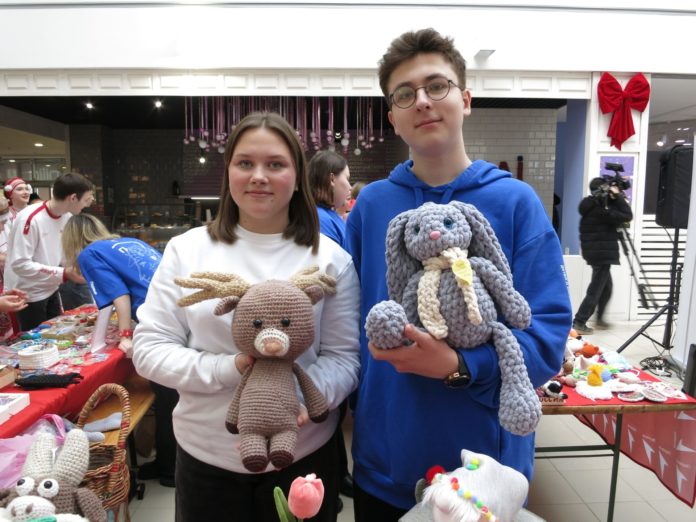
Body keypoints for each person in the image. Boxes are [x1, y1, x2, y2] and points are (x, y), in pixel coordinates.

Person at [343, 28, 572, 520]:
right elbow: (347, 324)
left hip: (485, 473)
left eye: (437, 86)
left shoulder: (515, 203)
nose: (423, 101)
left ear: (465, 100)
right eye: (405, 94)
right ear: (393, 117)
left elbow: (548, 336)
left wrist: (461, 365)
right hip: (384, 460)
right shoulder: (373, 206)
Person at [132, 111, 361, 521]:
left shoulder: (331, 259)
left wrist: (294, 401)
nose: (259, 176)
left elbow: (345, 358)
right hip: (205, 459)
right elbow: (150, 350)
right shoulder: (187, 250)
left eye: (275, 164)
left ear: (297, 175)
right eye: (245, 163)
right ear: (229, 172)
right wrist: (231, 368)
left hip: (303, 457)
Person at [61, 212, 178, 487]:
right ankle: (166, 462)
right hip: (175, 312)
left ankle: (171, 469)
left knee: (166, 395)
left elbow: (120, 297)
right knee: (167, 393)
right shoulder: (127, 242)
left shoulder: (89, 254)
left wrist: (125, 335)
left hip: (161, 319)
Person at [3, 172, 94, 331]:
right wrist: (64, 273)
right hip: (29, 294)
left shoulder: (66, 216)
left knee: (55, 335)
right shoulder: (30, 218)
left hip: (51, 287)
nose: (87, 205)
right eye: (86, 200)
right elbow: (20, 264)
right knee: (35, 340)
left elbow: (63, 252)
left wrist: (78, 266)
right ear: (73, 198)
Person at [572, 178, 633, 335]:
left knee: (606, 287)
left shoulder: (592, 206)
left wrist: (612, 197)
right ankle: (579, 321)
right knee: (596, 289)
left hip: (597, 252)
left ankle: (599, 319)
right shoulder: (600, 211)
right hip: (601, 254)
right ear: (602, 190)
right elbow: (627, 215)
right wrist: (617, 197)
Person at [308, 150, 352, 246]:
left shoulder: (323, 215)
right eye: (347, 178)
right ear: (332, 179)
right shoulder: (320, 219)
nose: (350, 187)